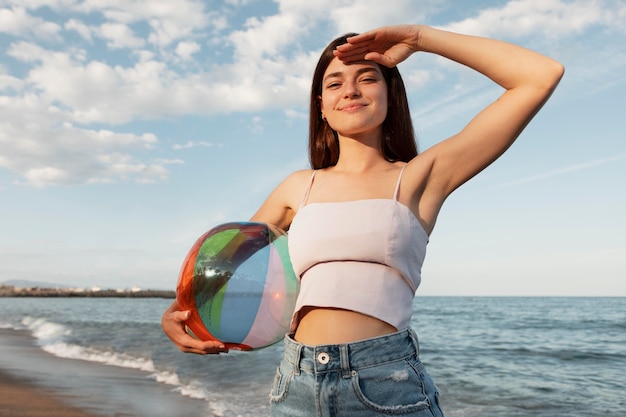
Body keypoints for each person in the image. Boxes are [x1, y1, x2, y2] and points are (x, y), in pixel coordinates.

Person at [162, 24, 564, 416]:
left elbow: (538, 76)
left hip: (386, 384)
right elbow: (219, 272)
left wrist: (420, 39)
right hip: (296, 383)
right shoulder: (297, 188)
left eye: (366, 78)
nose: (350, 90)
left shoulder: (421, 177)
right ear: (320, 105)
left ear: (391, 95)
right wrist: (178, 313)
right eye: (334, 83)